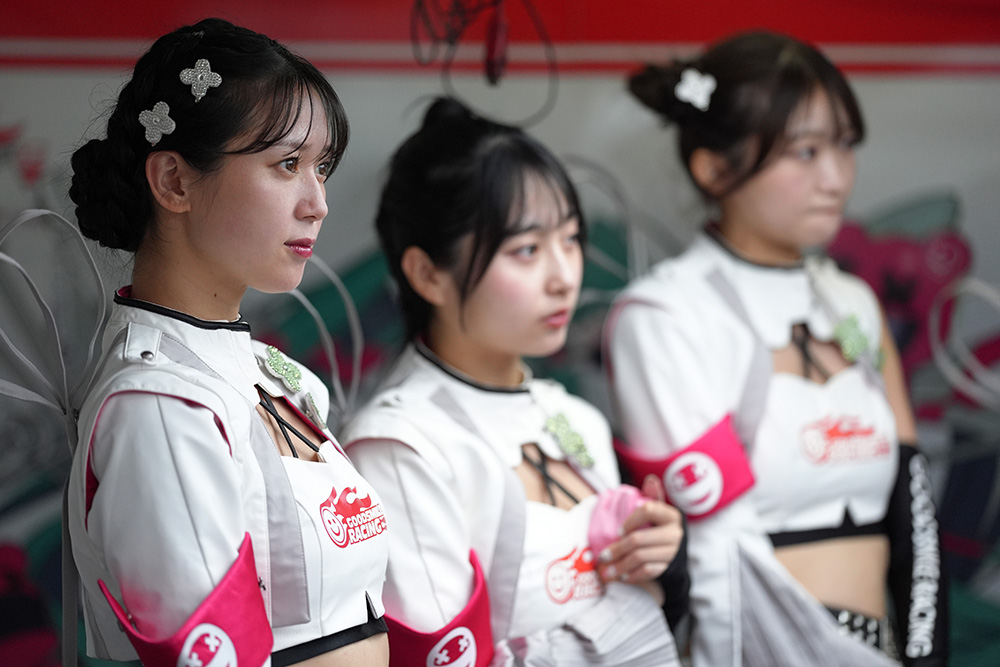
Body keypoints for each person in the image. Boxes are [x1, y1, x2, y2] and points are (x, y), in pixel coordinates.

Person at [604, 31, 948, 667]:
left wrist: (925, 653)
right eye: (806, 151)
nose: (835, 177)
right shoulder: (666, 314)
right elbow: (715, 552)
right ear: (713, 167)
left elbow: (913, 500)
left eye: (844, 145)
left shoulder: (852, 301)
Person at [64, 18, 389, 667]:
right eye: (287, 164)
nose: (317, 202)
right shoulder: (160, 405)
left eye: (322, 167)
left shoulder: (277, 375)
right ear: (174, 182)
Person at [339, 97, 689, 666]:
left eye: (570, 239)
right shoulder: (401, 447)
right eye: (527, 250)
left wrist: (664, 558)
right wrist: (638, 607)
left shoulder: (575, 417)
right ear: (428, 273)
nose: (564, 276)